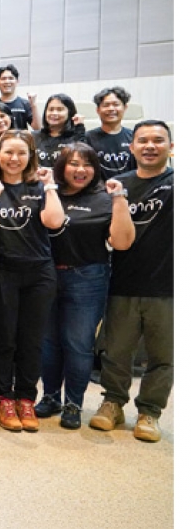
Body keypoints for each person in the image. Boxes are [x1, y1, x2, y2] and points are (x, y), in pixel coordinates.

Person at [35, 142, 135, 429]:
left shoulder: (104, 198)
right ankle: (50, 396)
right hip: (46, 276)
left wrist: (119, 200)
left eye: (88, 164)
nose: (81, 170)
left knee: (78, 344)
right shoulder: (46, 192)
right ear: (62, 166)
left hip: (88, 278)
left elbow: (122, 242)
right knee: (48, 343)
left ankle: (73, 403)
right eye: (74, 163)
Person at [89, 121, 173, 442]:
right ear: (132, 147)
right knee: (116, 351)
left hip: (169, 288)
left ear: (171, 147)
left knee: (163, 356)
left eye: (158, 140)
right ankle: (113, 402)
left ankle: (150, 411)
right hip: (123, 282)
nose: (150, 146)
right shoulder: (116, 185)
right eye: (143, 140)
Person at [0, 130, 65, 433]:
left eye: (21, 153)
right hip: (3, 271)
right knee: (4, 338)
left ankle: (26, 398)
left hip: (39, 273)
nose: (14, 158)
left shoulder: (40, 186)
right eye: (8, 152)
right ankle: (4, 399)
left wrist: (50, 185)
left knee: (32, 340)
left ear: (31, 156)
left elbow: (54, 222)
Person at [82, 86, 136, 178]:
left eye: (116, 104)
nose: (111, 109)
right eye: (106, 105)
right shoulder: (87, 138)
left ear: (125, 107)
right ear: (98, 110)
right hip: (99, 187)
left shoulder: (134, 137)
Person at [33, 93, 85, 169]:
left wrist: (80, 127)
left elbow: (82, 159)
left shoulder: (77, 136)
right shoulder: (33, 136)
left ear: (70, 112)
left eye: (60, 109)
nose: (54, 113)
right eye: (51, 109)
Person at [0, 65, 39, 130]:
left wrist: (34, 105)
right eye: (3, 79)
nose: (7, 81)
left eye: (11, 78)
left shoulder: (25, 104)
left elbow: (37, 128)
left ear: (17, 81)